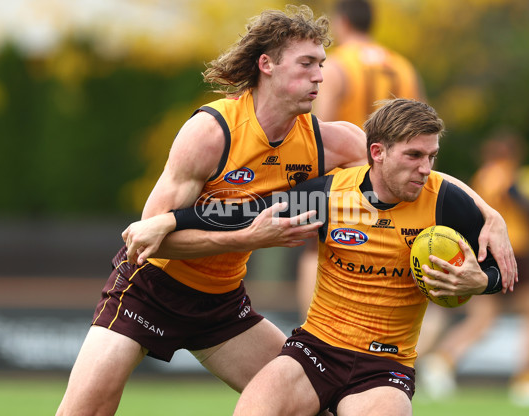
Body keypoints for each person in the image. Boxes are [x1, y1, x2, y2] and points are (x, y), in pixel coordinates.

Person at [57, 6, 514, 415]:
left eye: (322, 65)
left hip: (221, 304)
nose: (320, 76)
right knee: (86, 410)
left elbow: (407, 166)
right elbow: (150, 240)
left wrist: (487, 211)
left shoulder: (325, 140)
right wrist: (246, 239)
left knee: (314, 399)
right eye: (307, 64)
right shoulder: (211, 132)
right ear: (268, 65)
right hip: (149, 289)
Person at [137, 99, 506, 415]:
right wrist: (168, 220)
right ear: (376, 153)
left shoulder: (446, 202)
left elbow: (503, 271)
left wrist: (482, 280)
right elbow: (241, 212)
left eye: (431, 156)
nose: (425, 169)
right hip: (315, 354)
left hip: (384, 368)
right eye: (414, 155)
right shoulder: (327, 196)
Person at [295, 0, 427, 318]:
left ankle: (312, 337)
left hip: (346, 181)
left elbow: (319, 131)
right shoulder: (404, 66)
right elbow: (424, 131)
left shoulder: (336, 65)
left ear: (342, 22)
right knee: (392, 258)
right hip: (394, 181)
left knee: (315, 254)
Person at [417, 130, 529, 407]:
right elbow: (518, 195)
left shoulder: (481, 176)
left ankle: (442, 361)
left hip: (486, 252)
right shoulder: (505, 174)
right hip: (515, 252)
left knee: (482, 320)